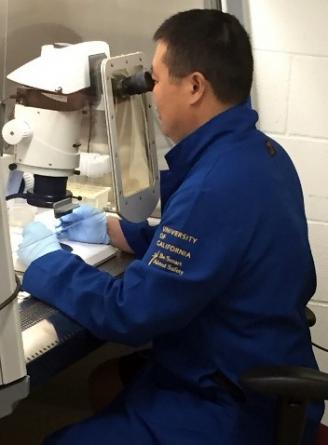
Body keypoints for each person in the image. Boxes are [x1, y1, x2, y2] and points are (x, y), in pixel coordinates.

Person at [18, 9, 323, 445]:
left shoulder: (215, 185)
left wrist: (46, 264)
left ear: (195, 86)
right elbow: (212, 249)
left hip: (231, 401)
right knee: (107, 382)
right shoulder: (261, 154)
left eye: (157, 80)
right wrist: (114, 230)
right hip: (240, 363)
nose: (151, 93)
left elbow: (129, 313)